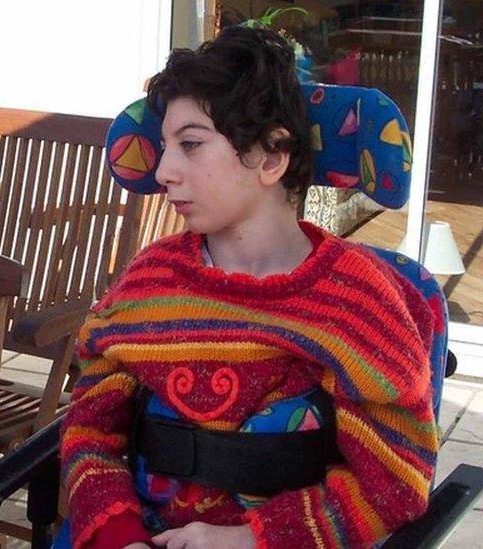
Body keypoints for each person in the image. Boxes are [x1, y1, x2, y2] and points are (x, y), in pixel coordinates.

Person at [61, 26, 438, 549]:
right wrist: (114, 532)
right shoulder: (149, 283)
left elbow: (394, 485)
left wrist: (249, 539)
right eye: (165, 146)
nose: (164, 171)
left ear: (271, 157)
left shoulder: (357, 302)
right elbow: (88, 432)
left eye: (190, 144)